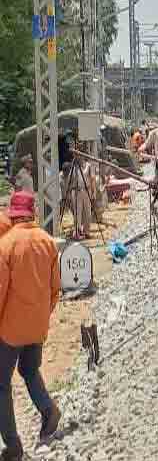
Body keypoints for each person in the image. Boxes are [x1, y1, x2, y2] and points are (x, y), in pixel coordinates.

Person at [0, 189, 61, 460]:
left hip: (10, 330)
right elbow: (55, 288)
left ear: (13, 216)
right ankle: (49, 411)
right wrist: (42, 316)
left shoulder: (6, 245)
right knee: (30, 370)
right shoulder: (48, 241)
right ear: (32, 213)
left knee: (1, 385)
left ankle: (13, 446)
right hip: (37, 325)